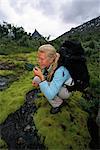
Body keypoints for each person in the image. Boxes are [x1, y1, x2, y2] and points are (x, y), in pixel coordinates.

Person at [32, 44, 73, 114]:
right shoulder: (49, 64)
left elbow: (50, 94)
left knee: (46, 89)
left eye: (41, 59)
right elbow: (46, 75)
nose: (38, 61)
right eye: (38, 58)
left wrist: (42, 78)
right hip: (60, 85)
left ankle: (58, 104)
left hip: (66, 91)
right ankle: (54, 94)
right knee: (36, 79)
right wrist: (40, 77)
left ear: (51, 59)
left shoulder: (61, 70)